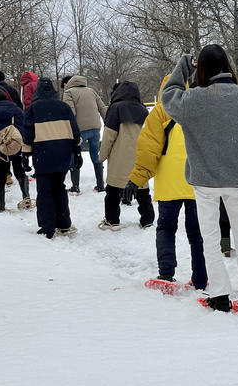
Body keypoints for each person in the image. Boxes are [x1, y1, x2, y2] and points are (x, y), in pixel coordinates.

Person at [161, 45, 238, 313]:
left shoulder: (192, 100)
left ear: (202, 69)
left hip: (206, 180)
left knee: (210, 237)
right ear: (228, 65)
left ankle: (220, 296)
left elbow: (167, 96)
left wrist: (184, 65)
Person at [127, 75, 207, 290]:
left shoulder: (161, 111)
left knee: (165, 227)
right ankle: (201, 278)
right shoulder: (201, 109)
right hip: (197, 180)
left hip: (169, 182)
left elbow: (148, 150)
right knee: (197, 233)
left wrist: (137, 179)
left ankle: (166, 274)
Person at [22, 78, 82, 239]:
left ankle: (47, 226)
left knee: (44, 190)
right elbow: (75, 130)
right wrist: (77, 151)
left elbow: (27, 134)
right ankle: (64, 223)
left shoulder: (33, 109)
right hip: (63, 153)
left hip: (43, 154)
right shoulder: (63, 107)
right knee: (59, 187)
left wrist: (25, 154)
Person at [98, 81, 154, 230]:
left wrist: (101, 156)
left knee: (113, 192)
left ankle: (112, 221)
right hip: (139, 157)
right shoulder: (143, 110)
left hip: (119, 158)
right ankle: (147, 220)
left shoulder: (115, 108)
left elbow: (109, 136)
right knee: (142, 191)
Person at [0, 89, 32, 212]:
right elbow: (23, 127)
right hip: (16, 146)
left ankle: (1, 206)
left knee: (0, 177)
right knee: (20, 172)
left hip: (0, 149)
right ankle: (26, 198)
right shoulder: (16, 110)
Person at [62, 74, 107, 193]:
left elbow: (70, 112)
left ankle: (75, 187)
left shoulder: (69, 92)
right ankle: (101, 185)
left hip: (80, 129)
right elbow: (102, 108)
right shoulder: (91, 91)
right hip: (96, 127)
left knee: (75, 155)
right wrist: (107, 121)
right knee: (96, 156)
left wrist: (70, 129)